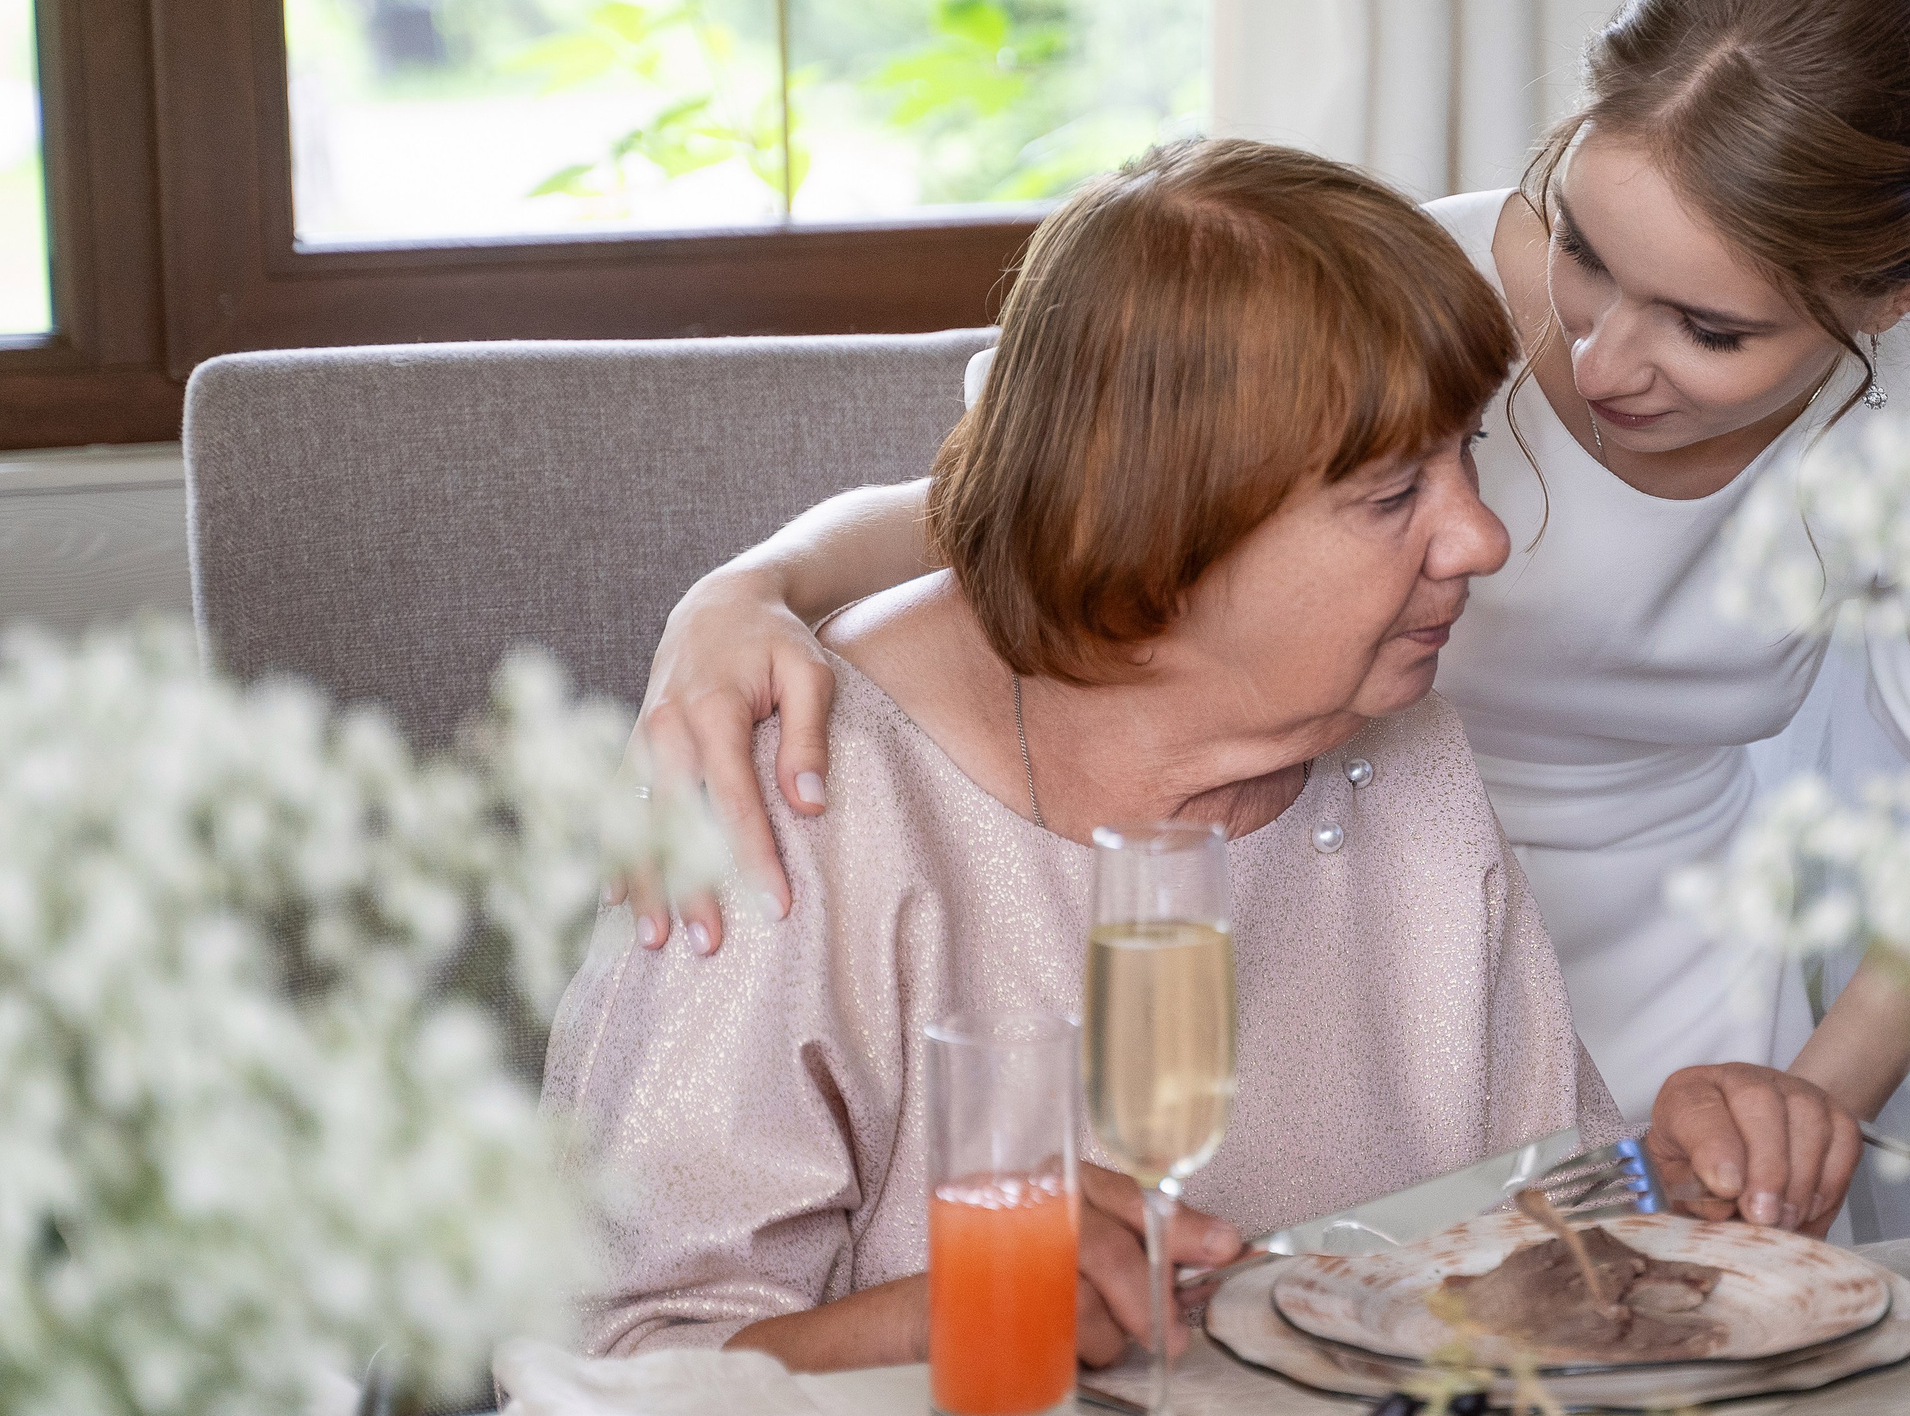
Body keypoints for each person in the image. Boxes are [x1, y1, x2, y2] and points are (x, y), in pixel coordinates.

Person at [617, 0, 1910, 1243]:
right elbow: (1061, 487)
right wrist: (751, 584)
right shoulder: (1413, 306)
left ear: (1905, 294)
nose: (1602, 354)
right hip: (1319, 879)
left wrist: (1808, 1095)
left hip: (1666, 956)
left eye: (1709, 329)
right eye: (1581, 247)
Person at [546, 139, 1619, 1368]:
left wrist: (1683, 1171)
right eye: (1389, 497)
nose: (1480, 539)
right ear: (1159, 526)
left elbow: (1551, 1221)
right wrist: (946, 1317)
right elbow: (618, 1372)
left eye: (1467, 449)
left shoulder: (1401, 742)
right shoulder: (796, 795)